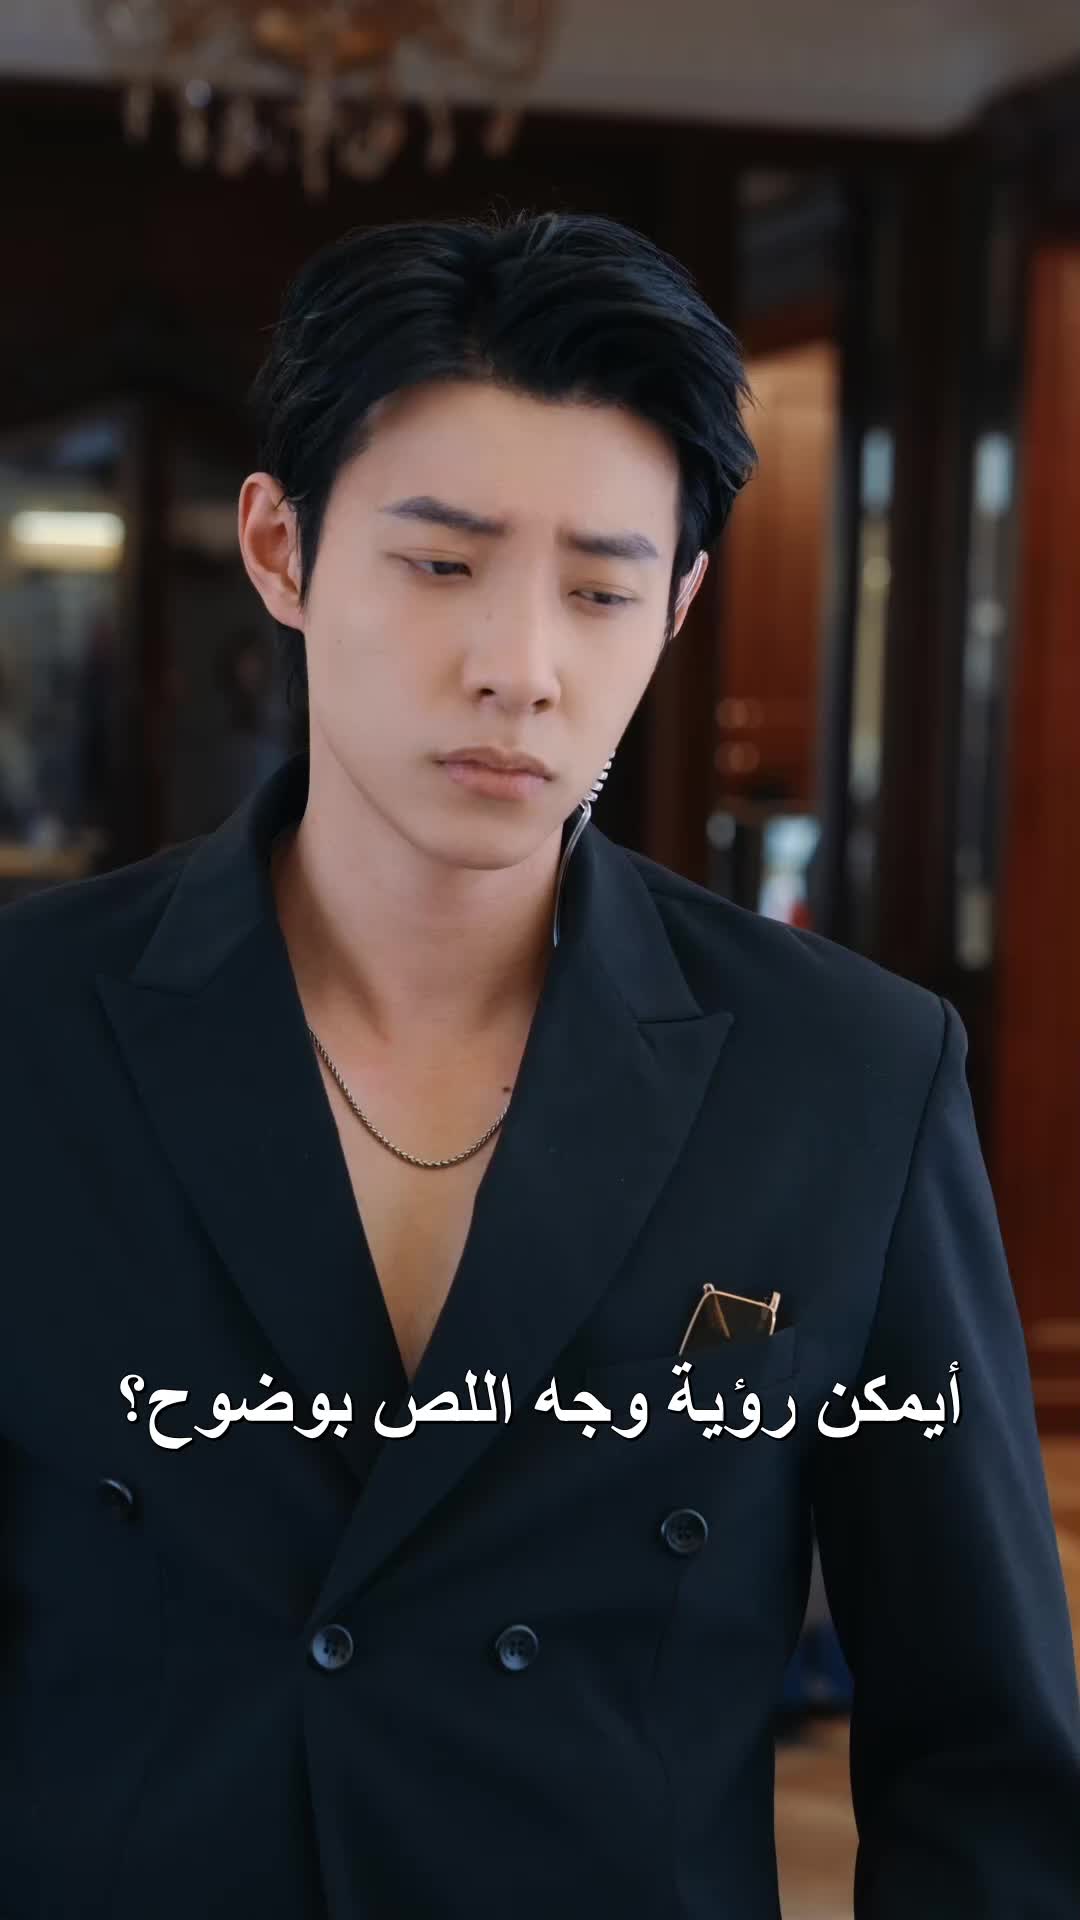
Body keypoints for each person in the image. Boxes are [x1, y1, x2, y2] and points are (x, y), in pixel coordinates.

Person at [2, 210, 1078, 1920]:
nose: (521, 668)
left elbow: (987, 1765)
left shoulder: (849, 1081)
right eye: (441, 565)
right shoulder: (30, 1030)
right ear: (282, 550)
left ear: (682, 603)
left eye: (600, 589)